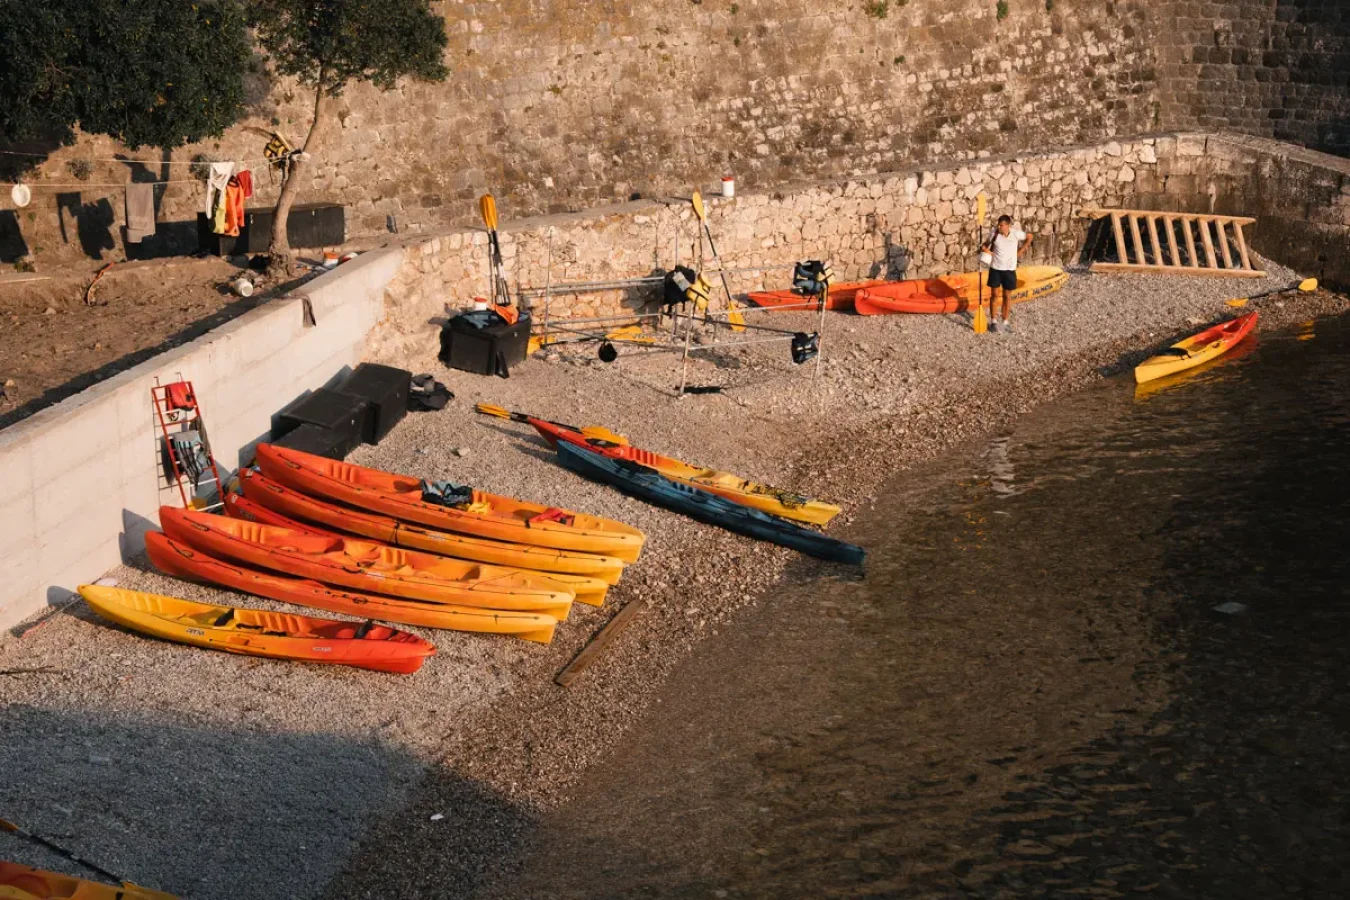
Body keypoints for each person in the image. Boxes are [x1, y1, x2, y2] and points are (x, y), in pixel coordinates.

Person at [981, 215, 1033, 333]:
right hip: (995, 269)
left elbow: (1030, 236)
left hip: (1009, 270)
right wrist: (985, 250)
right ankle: (993, 322)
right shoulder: (994, 233)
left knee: (1007, 296)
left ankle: (1005, 322)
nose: (999, 227)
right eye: (998, 225)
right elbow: (985, 244)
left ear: (1008, 225)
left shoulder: (1016, 234)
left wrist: (1021, 251)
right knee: (994, 295)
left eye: (1001, 225)